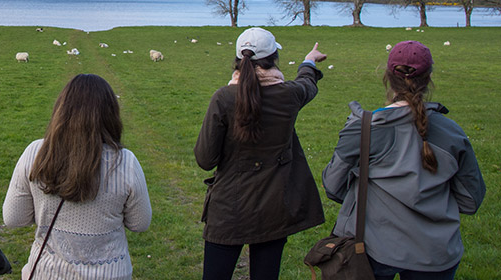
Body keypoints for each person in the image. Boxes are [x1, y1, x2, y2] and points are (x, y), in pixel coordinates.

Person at [322, 40, 485, 280]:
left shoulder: (364, 129)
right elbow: (470, 200)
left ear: (387, 77)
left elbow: (333, 187)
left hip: (372, 248)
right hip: (436, 252)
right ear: (428, 79)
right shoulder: (452, 133)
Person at [194, 27, 327, 280]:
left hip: (228, 210)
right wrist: (309, 60)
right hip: (273, 208)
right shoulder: (289, 95)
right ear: (274, 58)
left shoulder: (223, 98)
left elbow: (205, 159)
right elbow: (307, 83)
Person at [3, 73, 152, 280]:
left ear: (61, 110)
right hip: (109, 274)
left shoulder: (36, 153)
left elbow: (14, 218)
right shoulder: (125, 162)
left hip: (49, 273)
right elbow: (140, 223)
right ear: (110, 114)